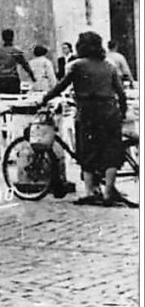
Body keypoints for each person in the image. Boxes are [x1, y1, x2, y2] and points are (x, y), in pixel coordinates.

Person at [41, 31, 134, 207]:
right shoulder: (109, 66)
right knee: (111, 152)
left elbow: (60, 87)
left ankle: (90, 192)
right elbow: (121, 94)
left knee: (87, 152)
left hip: (88, 113)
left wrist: (44, 99)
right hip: (110, 112)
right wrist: (121, 112)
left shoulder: (77, 66)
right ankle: (108, 193)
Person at [0, 28, 35, 95]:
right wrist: (32, 77)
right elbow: (25, 65)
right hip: (13, 80)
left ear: (3, 38)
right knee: (15, 101)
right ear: (12, 38)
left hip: (2, 80)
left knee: (3, 102)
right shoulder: (16, 52)